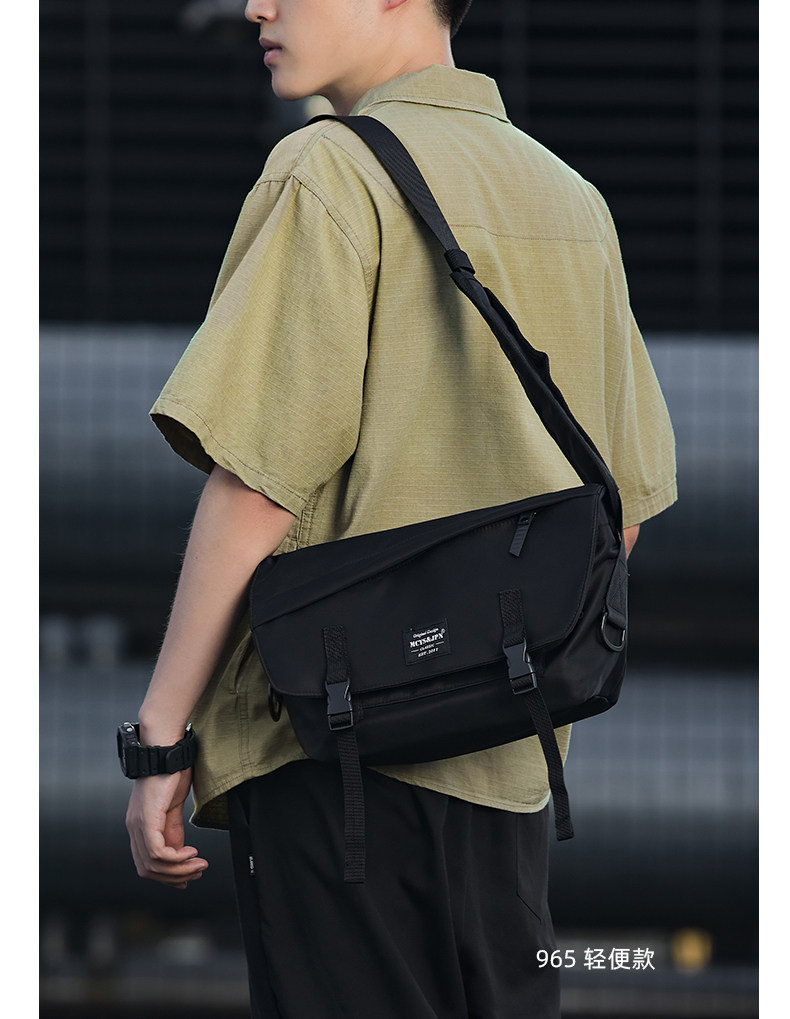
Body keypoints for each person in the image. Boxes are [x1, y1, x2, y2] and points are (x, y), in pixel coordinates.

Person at [123, 1, 677, 1016]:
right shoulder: (570, 198)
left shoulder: (325, 172)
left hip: (332, 758)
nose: (256, 6)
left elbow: (257, 483)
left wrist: (161, 738)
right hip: (511, 768)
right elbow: (622, 516)